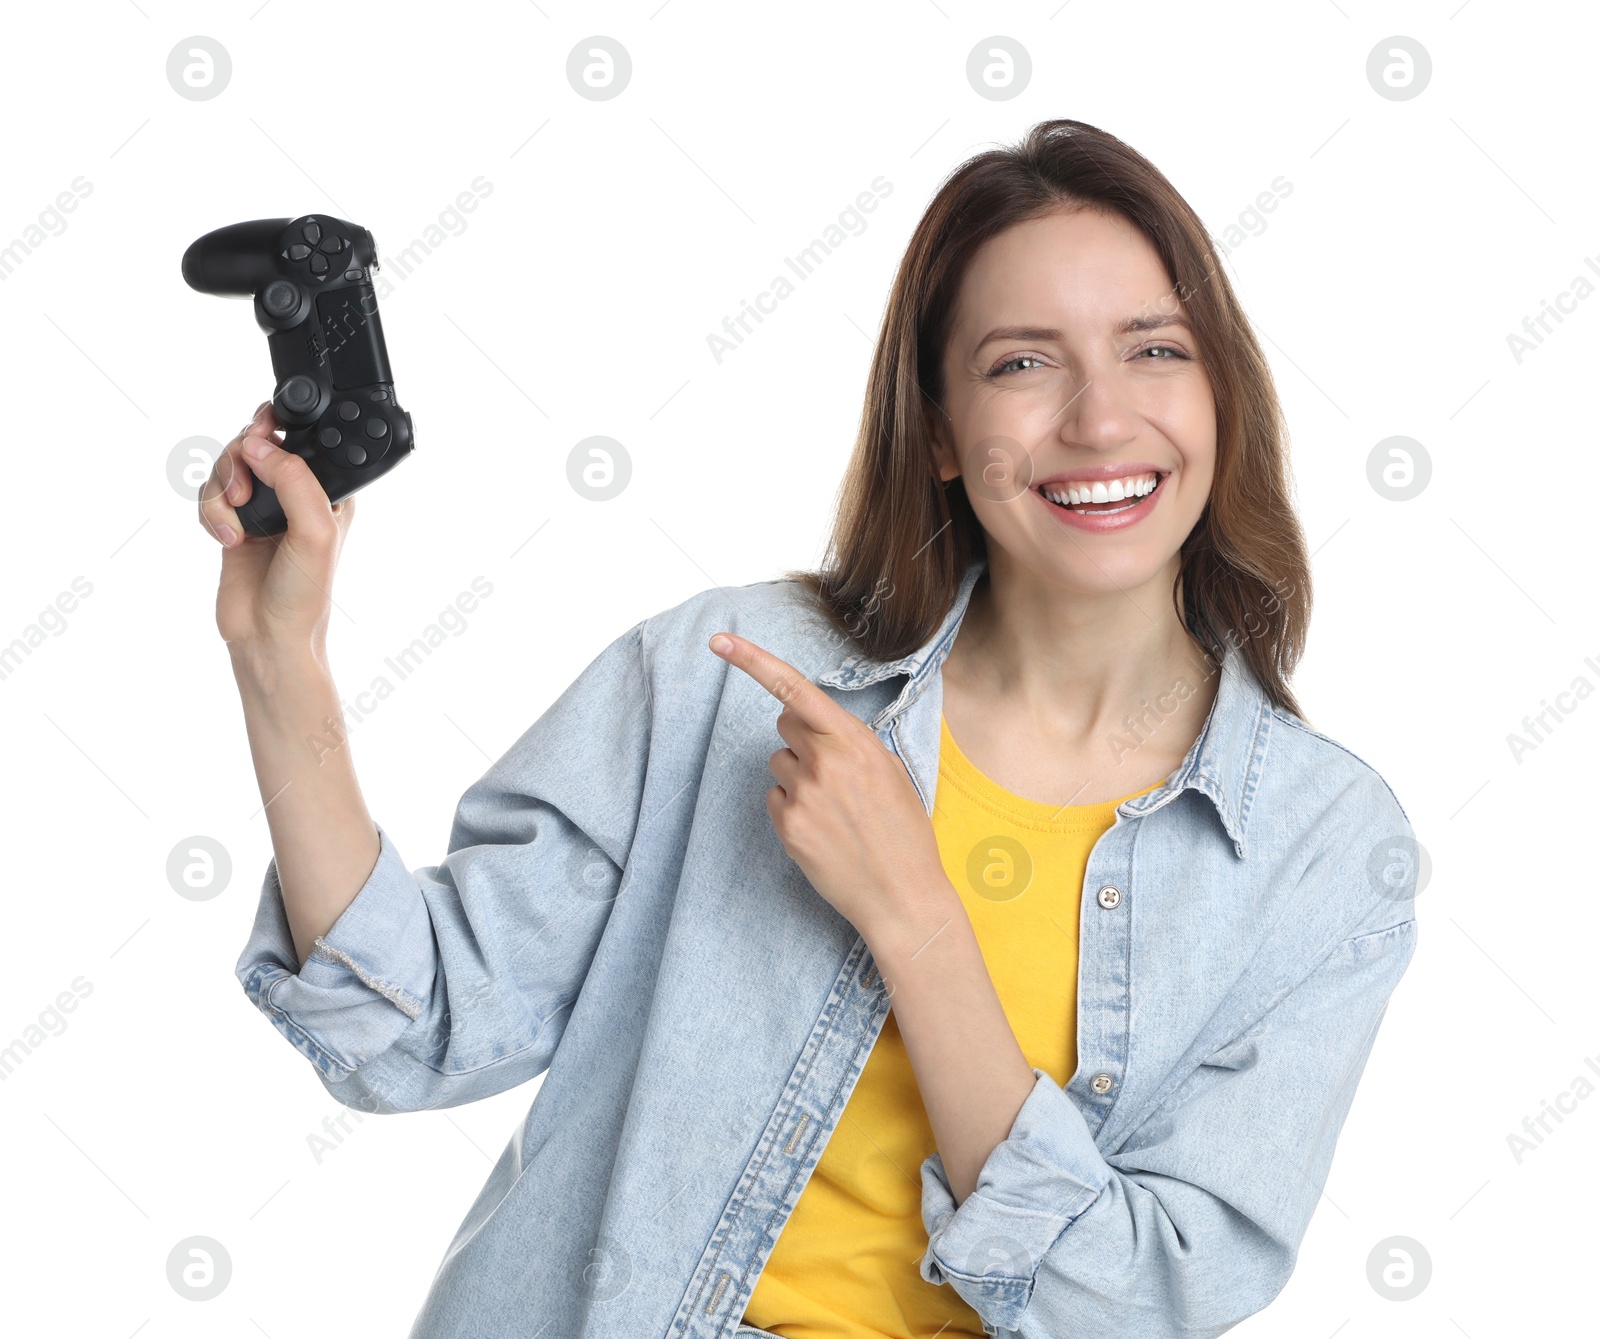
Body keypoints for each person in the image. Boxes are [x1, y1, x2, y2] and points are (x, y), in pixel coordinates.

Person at [201, 119, 1420, 1339]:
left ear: (1223, 394)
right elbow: (412, 1033)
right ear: (938, 431)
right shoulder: (728, 682)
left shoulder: (1320, 852)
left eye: (1154, 349)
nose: (1101, 422)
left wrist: (915, 916)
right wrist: (280, 662)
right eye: (1020, 364)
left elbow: (1136, 1301)